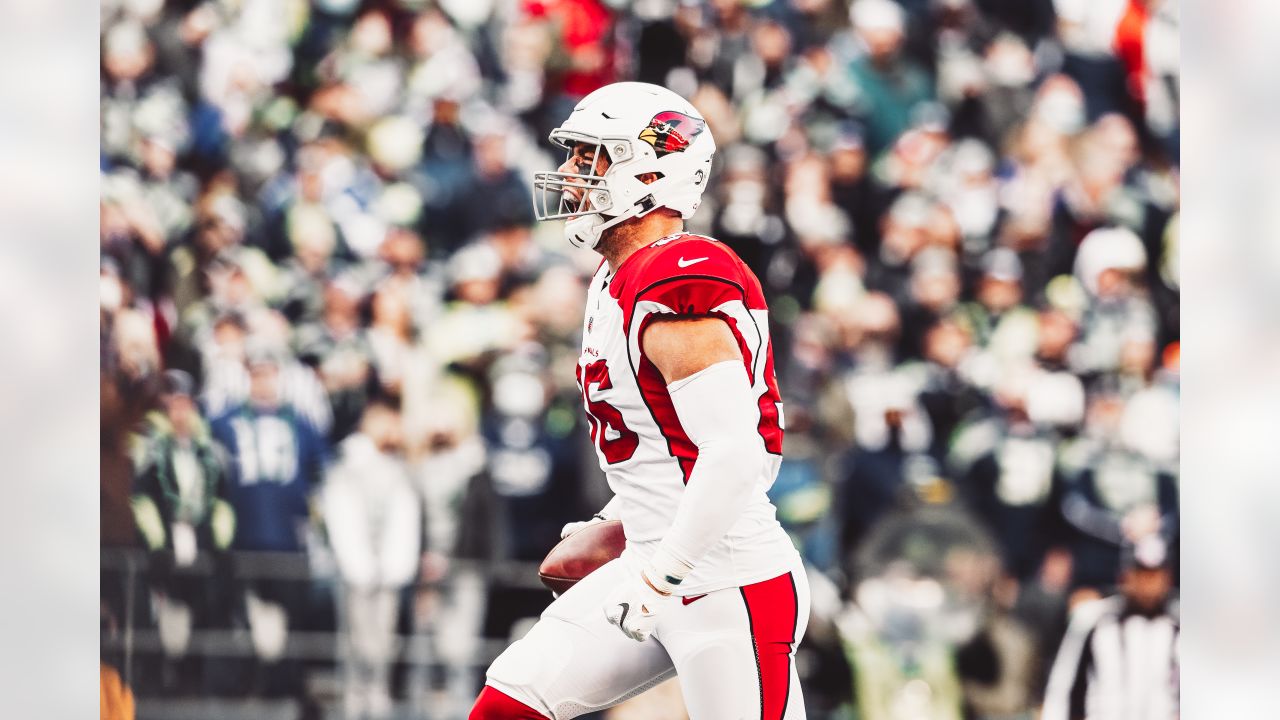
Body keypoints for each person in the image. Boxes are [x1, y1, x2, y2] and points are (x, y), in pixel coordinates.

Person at [470, 82, 810, 720]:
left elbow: (734, 453)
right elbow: (663, 443)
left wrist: (661, 577)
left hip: (727, 581)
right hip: (657, 564)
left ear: (649, 172)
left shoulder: (677, 273)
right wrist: (619, 514)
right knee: (509, 705)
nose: (570, 174)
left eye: (589, 157)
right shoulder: (613, 277)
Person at [1041, 534, 1179, 720]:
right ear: (1125, 577)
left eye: (1155, 576)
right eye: (1142, 576)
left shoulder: (1178, 626)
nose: (1148, 586)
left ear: (1167, 579)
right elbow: (1063, 687)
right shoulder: (1095, 620)